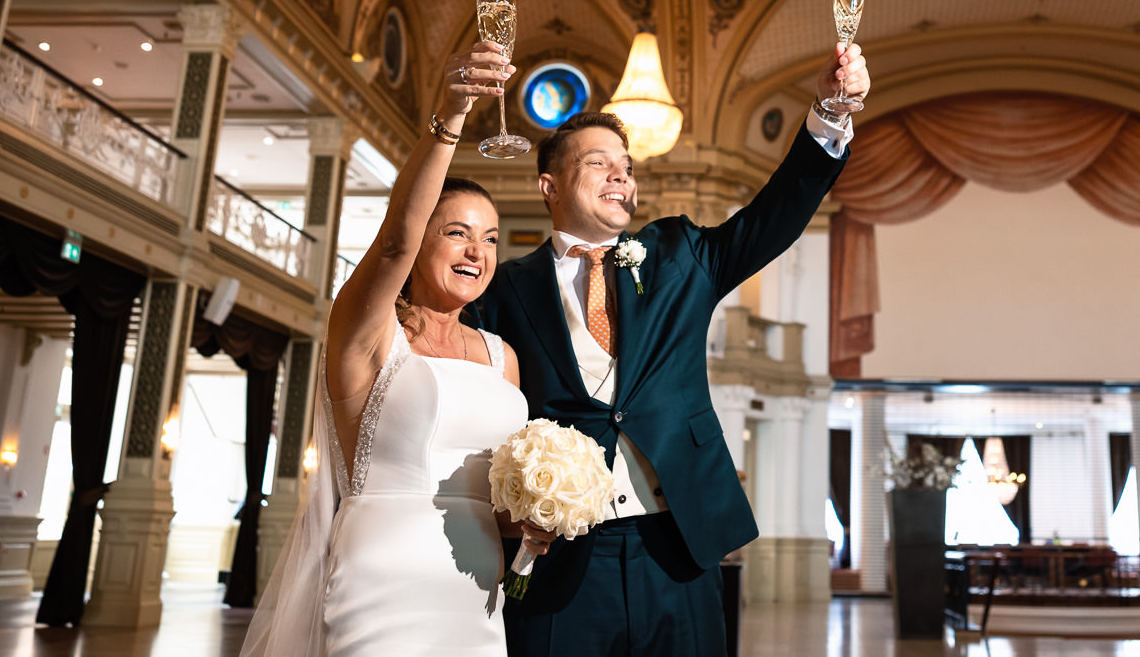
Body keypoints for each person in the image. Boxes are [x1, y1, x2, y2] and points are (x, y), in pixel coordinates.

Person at [473, 41, 870, 655]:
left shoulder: (679, 254)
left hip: (677, 546)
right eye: (598, 162)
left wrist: (829, 113)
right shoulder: (503, 290)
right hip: (562, 556)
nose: (619, 174)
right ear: (549, 186)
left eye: (626, 166)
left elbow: (774, 214)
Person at [241, 41, 552, 656]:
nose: (477, 252)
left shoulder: (501, 357)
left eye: (490, 239)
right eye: (456, 233)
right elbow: (392, 246)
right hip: (381, 578)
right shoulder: (368, 333)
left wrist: (533, 515)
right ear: (421, 244)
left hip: (474, 586)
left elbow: (493, 487)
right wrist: (452, 118)